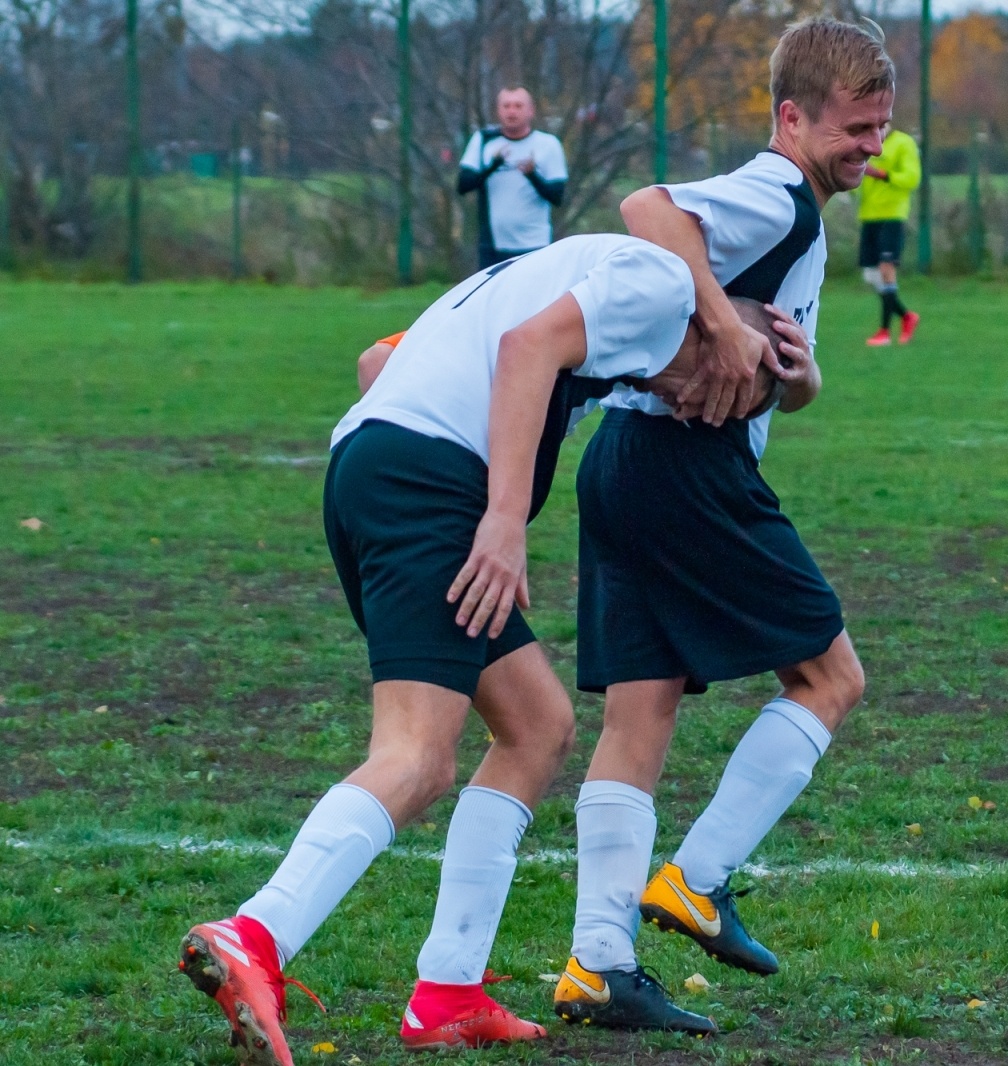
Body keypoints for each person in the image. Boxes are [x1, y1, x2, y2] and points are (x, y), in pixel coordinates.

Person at [176, 233, 782, 1065]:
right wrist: (497, 518)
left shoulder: (580, 286)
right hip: (426, 491)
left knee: (537, 725)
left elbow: (377, 362)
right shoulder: (662, 284)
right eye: (724, 397)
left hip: (381, 473)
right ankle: (255, 935)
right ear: (720, 339)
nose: (698, 414)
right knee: (416, 757)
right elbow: (526, 347)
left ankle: (449, 994)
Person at [549, 16, 891, 1036]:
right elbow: (647, 207)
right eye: (854, 129)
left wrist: (800, 375)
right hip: (682, 465)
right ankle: (697, 880)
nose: (872, 147)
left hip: (624, 459)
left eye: (880, 127)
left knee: (639, 713)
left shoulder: (798, 214)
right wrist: (712, 313)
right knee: (830, 678)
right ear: (792, 118)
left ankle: (597, 965)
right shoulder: (776, 192)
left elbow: (778, 371)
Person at [457, 87, 569, 269]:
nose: (511, 112)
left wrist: (532, 175)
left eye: (518, 106)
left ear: (531, 110)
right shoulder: (483, 140)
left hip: (535, 245)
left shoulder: (548, 144)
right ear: (498, 110)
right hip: (493, 247)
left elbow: (557, 196)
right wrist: (492, 166)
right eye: (506, 106)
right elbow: (463, 185)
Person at [857, 123, 921, 346]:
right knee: (871, 275)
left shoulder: (903, 143)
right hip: (869, 215)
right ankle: (906, 316)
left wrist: (881, 174)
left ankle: (884, 332)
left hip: (892, 214)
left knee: (886, 269)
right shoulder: (864, 144)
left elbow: (912, 178)